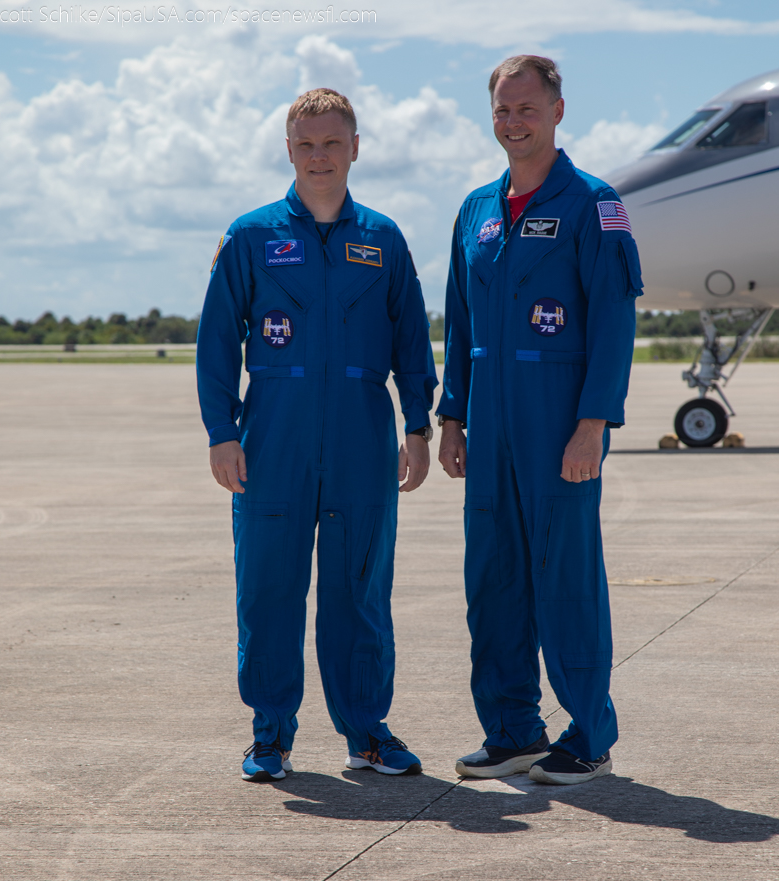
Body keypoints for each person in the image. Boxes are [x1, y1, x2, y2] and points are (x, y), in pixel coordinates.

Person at [196, 88, 437, 782]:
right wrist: (222, 430)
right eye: (306, 144)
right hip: (274, 436)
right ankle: (269, 734)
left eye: (333, 143)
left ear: (356, 147)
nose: (320, 157)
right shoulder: (250, 236)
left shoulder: (383, 240)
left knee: (359, 592)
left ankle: (366, 731)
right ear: (288, 150)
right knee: (268, 588)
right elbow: (217, 343)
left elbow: (411, 342)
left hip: (363, 437)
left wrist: (416, 424)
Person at [437, 56, 642, 785]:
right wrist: (451, 414)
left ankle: (588, 733)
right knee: (491, 576)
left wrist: (595, 422)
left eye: (526, 107)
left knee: (566, 576)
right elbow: (460, 325)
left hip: (559, 420)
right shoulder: (474, 212)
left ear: (558, 111)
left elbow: (615, 321)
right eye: (502, 109)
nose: (513, 121)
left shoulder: (595, 204)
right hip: (487, 424)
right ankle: (512, 731)